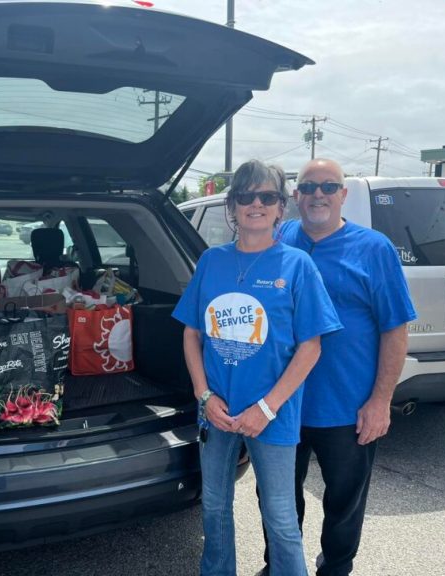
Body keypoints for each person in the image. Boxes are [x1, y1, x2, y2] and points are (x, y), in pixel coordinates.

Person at [173, 159, 343, 576]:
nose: (256, 204)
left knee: (282, 519)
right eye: (246, 196)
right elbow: (192, 335)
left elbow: (311, 347)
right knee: (214, 507)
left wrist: (266, 408)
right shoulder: (211, 262)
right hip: (216, 410)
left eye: (267, 196)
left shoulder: (297, 266)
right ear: (232, 206)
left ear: (281, 207)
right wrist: (204, 396)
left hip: (274, 414)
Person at [257, 158, 417, 576]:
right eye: (309, 188)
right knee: (276, 498)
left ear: (343, 195)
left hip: (347, 407)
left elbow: (396, 330)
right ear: (295, 197)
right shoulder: (282, 238)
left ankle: (335, 569)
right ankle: (280, 566)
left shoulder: (373, 249)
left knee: (344, 504)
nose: (318, 196)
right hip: (281, 403)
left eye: (329, 187)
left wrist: (381, 400)